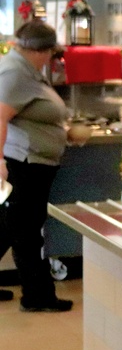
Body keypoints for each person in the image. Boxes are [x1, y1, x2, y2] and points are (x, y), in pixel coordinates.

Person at [0, 21, 75, 312]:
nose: (51, 59)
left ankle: (37, 294)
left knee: (13, 227)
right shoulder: (15, 71)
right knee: (26, 231)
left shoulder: (26, 70)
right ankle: (37, 295)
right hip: (25, 162)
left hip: (34, 161)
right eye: (49, 53)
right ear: (39, 51)